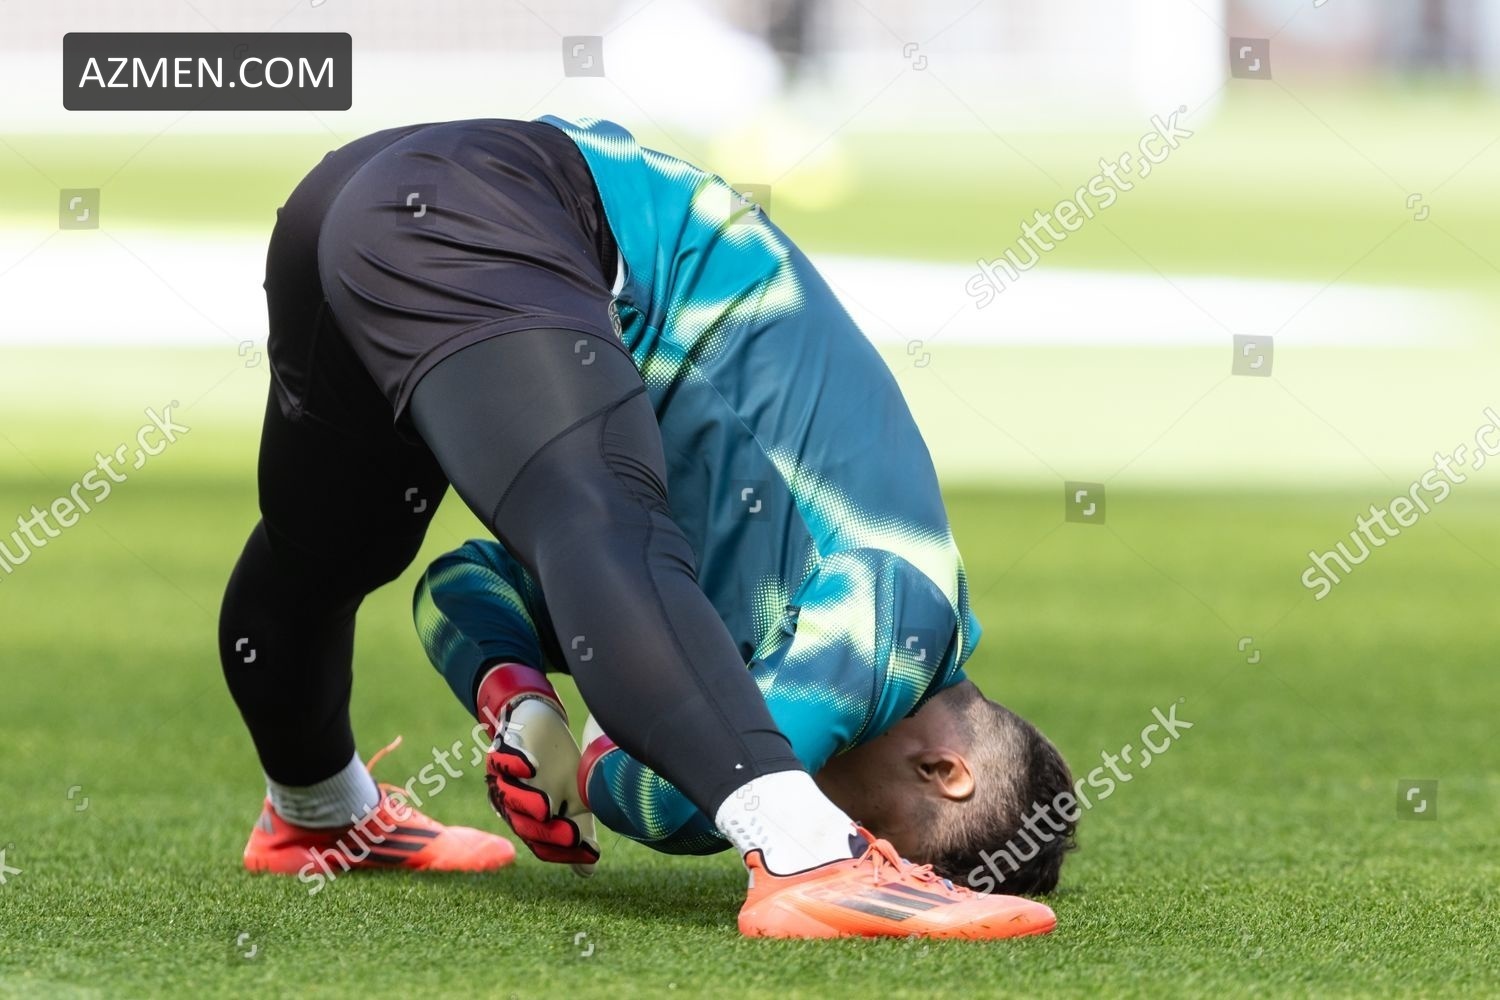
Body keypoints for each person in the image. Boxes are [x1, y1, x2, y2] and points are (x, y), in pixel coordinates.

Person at [219, 115, 1073, 938]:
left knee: (332, 547)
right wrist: (598, 766)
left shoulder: (765, 601)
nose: (853, 818)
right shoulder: (905, 616)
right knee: (602, 516)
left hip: (372, 202)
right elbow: (675, 804)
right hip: (496, 203)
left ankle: (318, 810)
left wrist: (521, 704)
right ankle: (809, 857)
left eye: (864, 845)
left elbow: (462, 587)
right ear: (945, 772)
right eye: (876, 838)